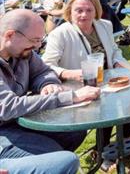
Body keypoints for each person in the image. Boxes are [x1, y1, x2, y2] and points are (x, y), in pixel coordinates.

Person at [0, 9, 100, 173]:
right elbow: (8, 107)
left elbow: (43, 72)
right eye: (35, 40)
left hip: (17, 122)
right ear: (10, 35)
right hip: (3, 133)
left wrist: (47, 84)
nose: (38, 46)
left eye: (41, 40)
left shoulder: (24, 52)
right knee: (57, 154)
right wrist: (69, 97)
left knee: (75, 129)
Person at [41, 0, 129, 171]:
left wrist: (119, 62)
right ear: (69, 11)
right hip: (79, 88)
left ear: (96, 10)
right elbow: (46, 66)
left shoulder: (104, 25)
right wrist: (69, 73)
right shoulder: (60, 34)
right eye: (78, 10)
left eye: (89, 10)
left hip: (111, 81)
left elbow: (114, 51)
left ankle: (124, 146)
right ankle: (101, 151)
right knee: (106, 106)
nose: (84, 15)